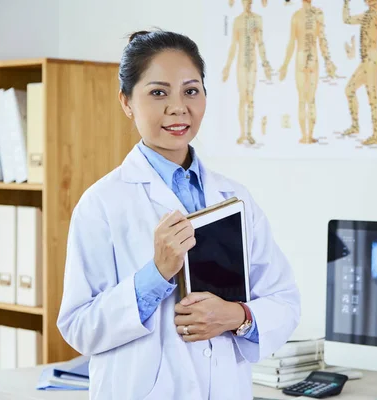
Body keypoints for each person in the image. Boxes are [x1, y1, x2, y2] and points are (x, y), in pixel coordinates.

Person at [56, 29, 301, 400]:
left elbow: (284, 299)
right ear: (126, 102)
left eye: (191, 90)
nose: (177, 107)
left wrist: (236, 316)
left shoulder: (235, 197)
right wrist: (155, 274)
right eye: (158, 92)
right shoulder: (102, 204)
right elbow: (79, 327)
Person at [279, 0, 337, 144]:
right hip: (313, 59)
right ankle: (309, 136)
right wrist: (328, 61)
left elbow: (292, 42)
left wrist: (285, 65)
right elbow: (322, 40)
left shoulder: (296, 16)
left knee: (301, 100)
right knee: (311, 100)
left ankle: (304, 136)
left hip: (300, 58)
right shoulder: (318, 14)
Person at [342, 0, 377, 146]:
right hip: (365, 61)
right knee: (349, 90)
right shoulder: (368, 14)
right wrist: (346, 3)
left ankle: (376, 135)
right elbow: (347, 20)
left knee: (372, 97)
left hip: (372, 59)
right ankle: (355, 125)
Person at [223, 0, 272, 146]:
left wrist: (266, 65)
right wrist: (227, 66)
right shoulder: (237, 21)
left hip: (252, 64)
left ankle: (249, 134)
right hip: (241, 65)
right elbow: (233, 45)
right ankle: (242, 133)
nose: (248, 4)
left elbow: (261, 43)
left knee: (250, 98)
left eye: (250, 2)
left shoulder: (257, 19)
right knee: (243, 98)